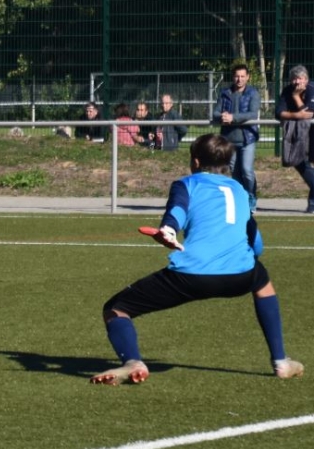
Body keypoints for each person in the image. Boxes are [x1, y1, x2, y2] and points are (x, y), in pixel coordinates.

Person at [91, 133, 304, 385]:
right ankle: (281, 361)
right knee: (262, 279)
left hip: (191, 276)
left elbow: (177, 210)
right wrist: (246, 260)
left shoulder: (187, 184)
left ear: (195, 161)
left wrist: (169, 230)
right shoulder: (239, 189)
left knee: (116, 309)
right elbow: (255, 240)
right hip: (240, 276)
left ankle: (133, 362)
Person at [212, 64, 260, 211]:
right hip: (229, 139)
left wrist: (233, 118)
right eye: (237, 76)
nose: (239, 79)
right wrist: (222, 116)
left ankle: (251, 196)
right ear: (233, 77)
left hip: (247, 138)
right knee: (234, 171)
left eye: (242, 76)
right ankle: (242, 197)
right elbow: (215, 113)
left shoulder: (253, 93)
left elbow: (253, 113)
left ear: (247, 77)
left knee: (247, 170)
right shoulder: (225, 93)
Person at [274, 65, 314, 213]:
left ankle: (312, 204)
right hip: (298, 134)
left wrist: (296, 97)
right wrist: (296, 115)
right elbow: (279, 113)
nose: (297, 82)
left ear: (306, 79)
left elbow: (309, 113)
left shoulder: (312, 89)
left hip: (312, 132)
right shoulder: (287, 91)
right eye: (294, 79)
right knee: (299, 162)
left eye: (300, 78)